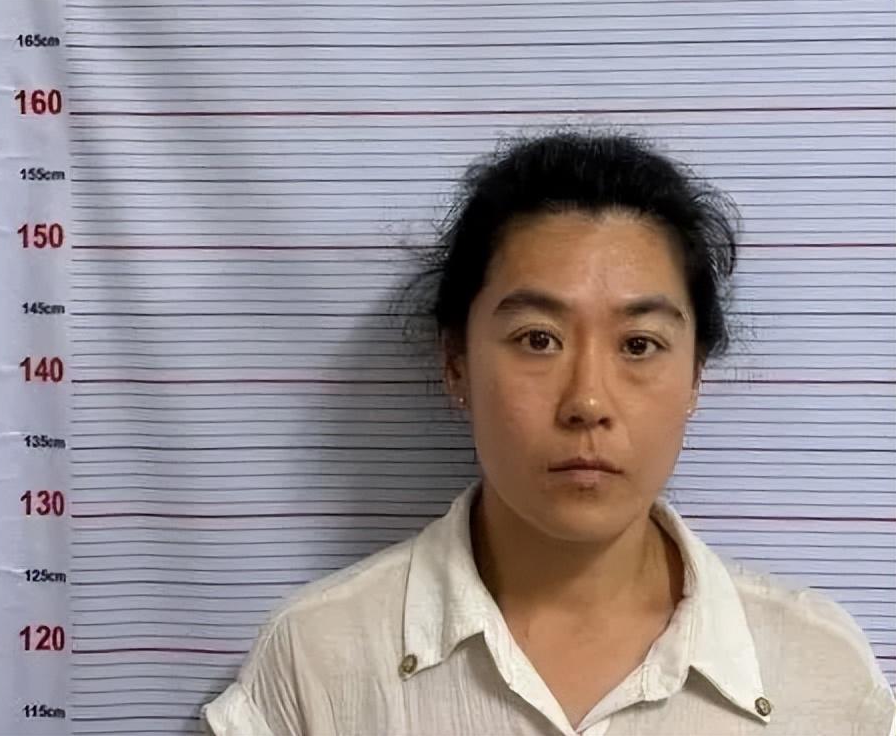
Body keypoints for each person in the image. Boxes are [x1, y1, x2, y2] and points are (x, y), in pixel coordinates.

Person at [201, 128, 895, 736]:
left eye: (639, 345)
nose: (587, 401)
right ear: (456, 363)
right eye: (538, 339)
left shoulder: (818, 670)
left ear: (694, 377)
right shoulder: (317, 661)